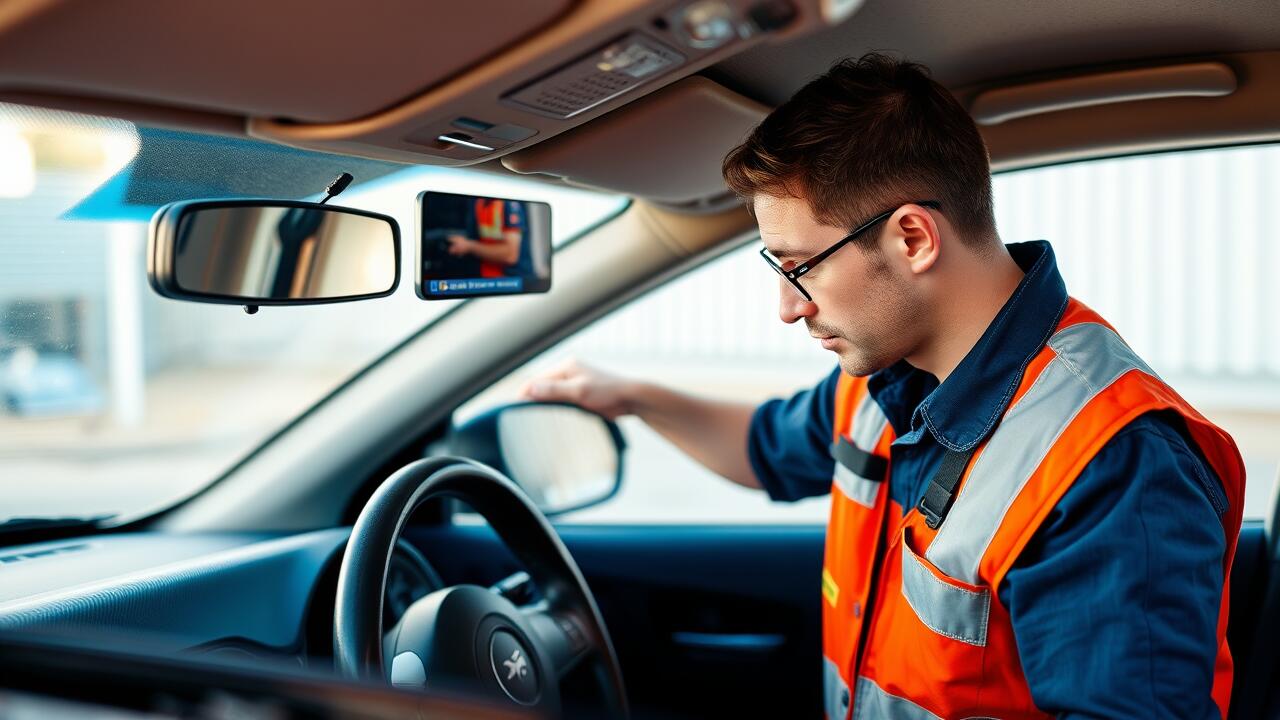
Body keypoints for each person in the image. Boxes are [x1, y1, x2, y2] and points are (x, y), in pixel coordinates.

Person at [521, 53, 1245, 719]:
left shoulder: (1109, 462)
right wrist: (630, 396)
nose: (788, 308)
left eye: (799, 267)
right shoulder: (886, 383)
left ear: (912, 239)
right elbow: (765, 448)